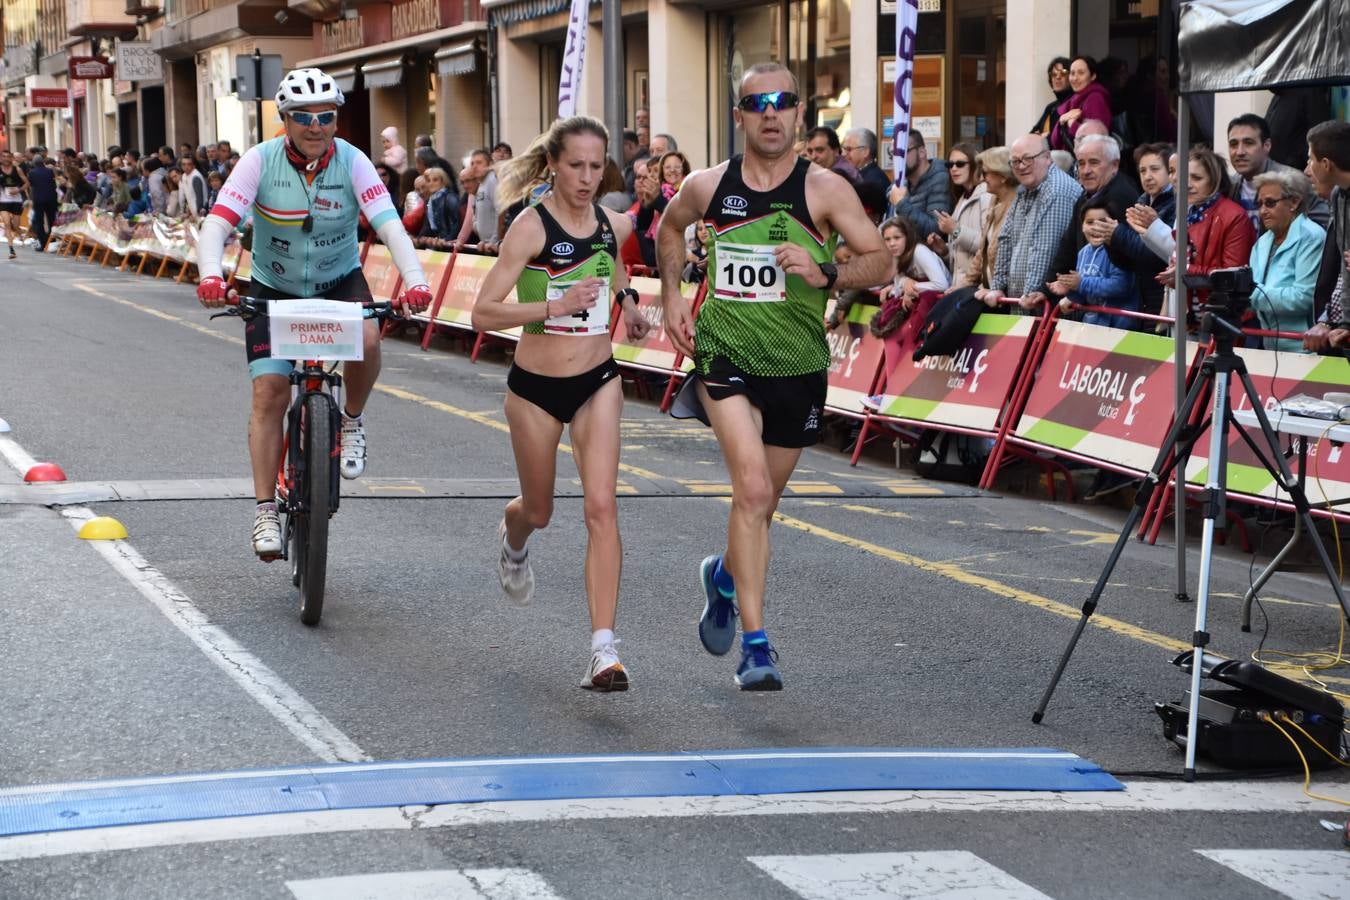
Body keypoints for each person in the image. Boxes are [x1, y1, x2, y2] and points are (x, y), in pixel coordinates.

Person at [656, 62, 890, 690]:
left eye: (782, 102)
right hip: (725, 352)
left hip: (798, 363)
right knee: (753, 491)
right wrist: (675, 295)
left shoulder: (826, 190)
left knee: (763, 505)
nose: (770, 112)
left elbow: (882, 259)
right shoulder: (708, 186)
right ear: (740, 115)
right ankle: (756, 646)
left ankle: (725, 578)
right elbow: (670, 227)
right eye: (757, 103)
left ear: (798, 113)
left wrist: (826, 274)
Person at [194, 67, 433, 559]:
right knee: (269, 393)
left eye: (326, 116)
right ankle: (264, 508)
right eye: (303, 117)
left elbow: (390, 226)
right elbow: (217, 225)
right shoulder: (258, 162)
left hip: (337, 282)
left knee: (368, 340)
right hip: (273, 287)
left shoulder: (353, 161)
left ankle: (351, 420)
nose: (316, 126)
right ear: (284, 119)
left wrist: (416, 281)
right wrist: (210, 275)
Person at [470, 115, 650, 691]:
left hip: (598, 378)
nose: (587, 177)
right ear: (554, 164)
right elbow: (483, 312)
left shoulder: (609, 221)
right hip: (536, 390)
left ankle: (604, 649)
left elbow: (612, 260)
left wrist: (628, 299)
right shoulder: (530, 227)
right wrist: (555, 306)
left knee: (602, 507)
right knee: (541, 510)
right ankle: (513, 535)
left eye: (597, 167)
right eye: (576, 165)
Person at [976, 134, 1083, 312]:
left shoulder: (1057, 190)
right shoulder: (1024, 189)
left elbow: (1045, 249)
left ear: (1047, 158)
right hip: (1022, 304)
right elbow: (1005, 239)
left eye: (1028, 159)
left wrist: (1031, 294)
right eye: (1015, 161)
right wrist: (997, 287)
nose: (1022, 166)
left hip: (1043, 308)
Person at [1156, 147, 1256, 325]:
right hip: (1193, 321)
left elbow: (1232, 277)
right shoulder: (1188, 213)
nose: (1187, 184)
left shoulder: (1234, 216)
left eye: (1197, 178)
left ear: (1214, 181)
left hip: (1226, 322)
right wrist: (1175, 277)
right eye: (1184, 176)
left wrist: (1184, 270)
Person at [1093, 142, 1175, 319]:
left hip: (1163, 296)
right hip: (1143, 295)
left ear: (1171, 171)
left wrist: (1117, 235)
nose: (1148, 176)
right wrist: (1109, 238)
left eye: (1155, 169)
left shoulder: (1176, 203)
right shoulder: (1141, 201)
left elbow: (1158, 253)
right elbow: (1129, 260)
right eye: (1143, 171)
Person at [1247, 169, 1325, 352]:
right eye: (1260, 204)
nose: (1263, 211)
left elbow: (1303, 298)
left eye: (1270, 203)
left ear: (1294, 202)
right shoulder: (1262, 243)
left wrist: (1249, 294)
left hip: (1305, 349)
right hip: (1269, 346)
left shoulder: (1311, 237)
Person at [1227, 113, 1330, 231]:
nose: (1240, 152)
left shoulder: (1292, 181)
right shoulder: (1228, 185)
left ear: (1266, 146)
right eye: (1233, 144)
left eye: (1248, 143)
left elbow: (1325, 225)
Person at [1049, 198, 1137, 328]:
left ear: (1114, 224)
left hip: (1119, 330)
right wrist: (1070, 290)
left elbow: (1121, 286)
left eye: (1102, 222)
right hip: (1092, 326)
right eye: (1089, 222)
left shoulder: (1119, 250)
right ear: (1082, 227)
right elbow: (1087, 294)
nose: (1096, 227)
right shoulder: (1083, 253)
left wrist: (1080, 283)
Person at [1303, 122, 1350, 351]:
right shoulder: (1338, 196)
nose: (1307, 168)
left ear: (1326, 164)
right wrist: (1346, 323)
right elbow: (1346, 266)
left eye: (1310, 159)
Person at [951, 146, 1016, 291]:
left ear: (1003, 176)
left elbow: (1005, 256)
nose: (982, 177)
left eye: (985, 172)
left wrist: (956, 231)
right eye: (950, 165)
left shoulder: (1014, 205)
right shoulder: (994, 200)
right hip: (983, 288)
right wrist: (964, 283)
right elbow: (982, 250)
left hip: (999, 293)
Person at [927, 142, 990, 282]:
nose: (954, 169)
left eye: (960, 164)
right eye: (950, 165)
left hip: (978, 286)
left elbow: (989, 246)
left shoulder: (986, 195)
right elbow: (962, 258)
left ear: (974, 165)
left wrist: (955, 230)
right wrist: (944, 250)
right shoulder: (962, 198)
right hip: (962, 285)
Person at [888, 128, 951, 241]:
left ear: (921, 152)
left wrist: (901, 204)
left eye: (901, 152)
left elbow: (935, 230)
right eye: (893, 154)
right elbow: (889, 191)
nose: (896, 159)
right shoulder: (904, 177)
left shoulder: (940, 177)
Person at [1051, 56, 1113, 151]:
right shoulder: (1072, 101)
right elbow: (1055, 143)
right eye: (1072, 73)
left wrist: (1071, 123)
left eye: (1081, 73)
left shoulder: (1095, 99)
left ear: (1093, 76)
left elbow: (1096, 139)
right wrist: (1062, 120)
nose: (1075, 78)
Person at [842, 127, 892, 220]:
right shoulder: (860, 174)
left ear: (865, 152)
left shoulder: (874, 180)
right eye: (844, 149)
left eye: (848, 149)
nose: (844, 154)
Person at [1031, 57, 1074, 137]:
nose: (1058, 77)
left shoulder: (1074, 103)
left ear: (1071, 77)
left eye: (1063, 73)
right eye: (1053, 74)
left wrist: (1043, 135)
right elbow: (1032, 133)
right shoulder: (1051, 107)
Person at [0, 149, 29, 259]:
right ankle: (11, 250)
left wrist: (18, 190)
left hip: (16, 201)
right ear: (1, 158)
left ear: (11, 158)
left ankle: (20, 233)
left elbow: (27, 183)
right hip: (3, 201)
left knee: (16, 226)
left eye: (8, 156)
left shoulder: (17, 169)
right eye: (4, 156)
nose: (6, 159)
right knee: (7, 224)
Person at [26, 156, 57, 251]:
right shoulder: (49, 171)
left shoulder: (31, 173)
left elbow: (31, 186)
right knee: (52, 219)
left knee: (39, 221)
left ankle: (42, 243)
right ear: (43, 162)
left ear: (34, 163)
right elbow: (53, 183)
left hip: (38, 199)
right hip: (51, 198)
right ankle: (52, 240)